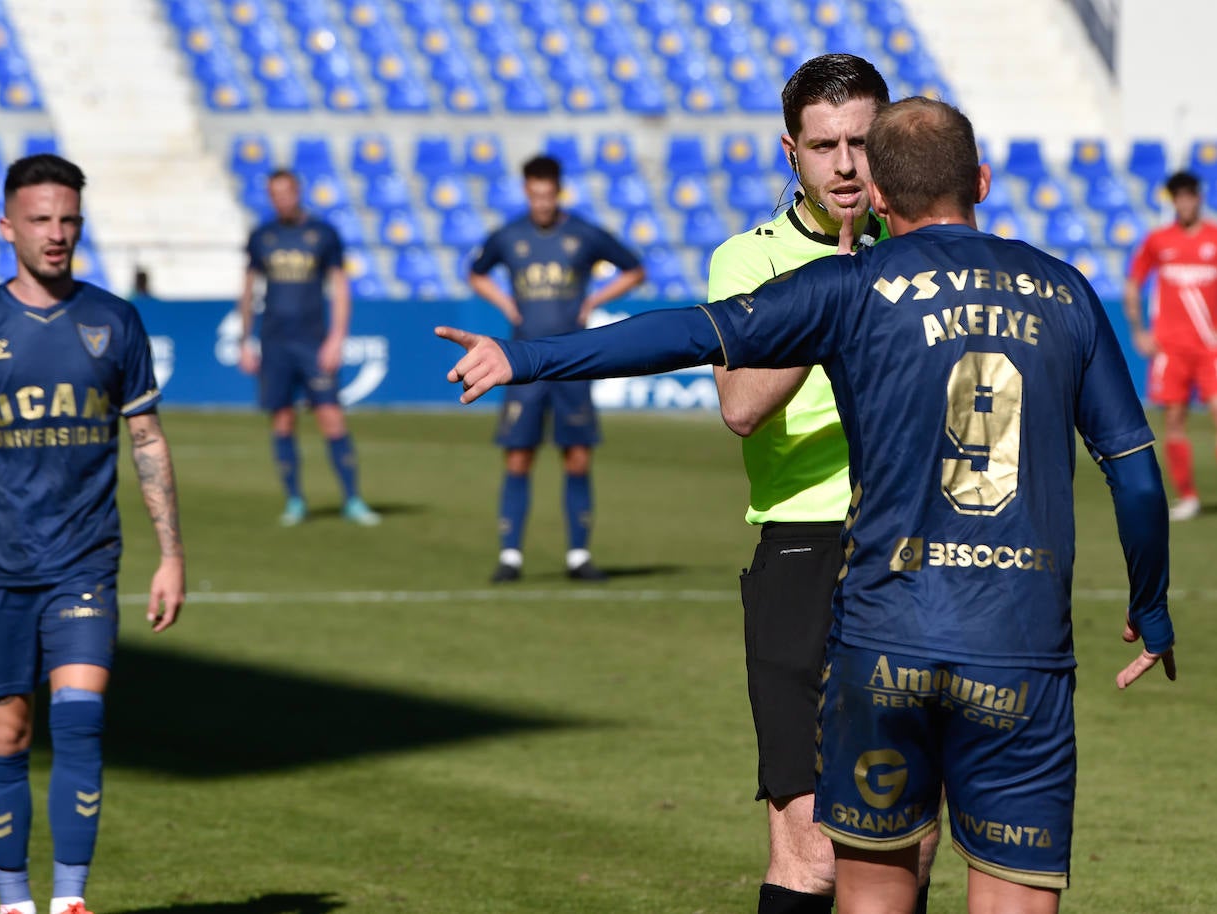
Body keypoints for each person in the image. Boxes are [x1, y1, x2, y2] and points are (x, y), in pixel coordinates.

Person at [438, 97, 1176, 914]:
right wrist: (1150, 604)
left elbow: (690, 333)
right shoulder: (1065, 291)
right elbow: (1136, 476)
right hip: (1019, 644)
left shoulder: (853, 283)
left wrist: (523, 356)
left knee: (868, 894)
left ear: (880, 196)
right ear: (983, 181)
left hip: (883, 639)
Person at [0, 154, 186, 914]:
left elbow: (148, 441)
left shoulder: (115, 322)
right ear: (8, 227)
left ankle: (70, 901)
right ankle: (14, 902)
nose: (56, 233)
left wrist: (172, 556)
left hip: (83, 561)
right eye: (40, 220)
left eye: (68, 220)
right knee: (6, 732)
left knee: (80, 719)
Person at [708, 54, 933, 914]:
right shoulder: (749, 261)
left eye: (862, 143)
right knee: (812, 852)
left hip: (912, 552)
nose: (845, 164)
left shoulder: (923, 255)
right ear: (791, 153)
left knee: (908, 845)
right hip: (804, 552)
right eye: (823, 145)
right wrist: (832, 293)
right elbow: (740, 406)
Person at [467, 154, 645, 583]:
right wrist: (505, 303)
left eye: (548, 195)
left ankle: (578, 556)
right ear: (526, 192)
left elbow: (634, 269)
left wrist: (593, 300)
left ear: (558, 192)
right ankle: (510, 556)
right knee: (518, 457)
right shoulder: (509, 236)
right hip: (522, 363)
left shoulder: (582, 233)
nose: (542, 203)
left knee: (578, 457)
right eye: (535, 195)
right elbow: (476, 274)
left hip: (573, 362)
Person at [238, 168, 380, 527]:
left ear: (298, 192)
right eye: (274, 194)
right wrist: (244, 339)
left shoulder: (323, 234)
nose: (281, 200)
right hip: (274, 342)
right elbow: (248, 288)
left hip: (313, 341)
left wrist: (337, 337)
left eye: (286, 192)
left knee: (331, 416)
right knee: (283, 420)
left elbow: (340, 286)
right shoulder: (262, 236)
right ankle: (295, 501)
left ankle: (352, 499)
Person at [1124, 170, 1217, 521]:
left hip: (1210, 348)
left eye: (1189, 195)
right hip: (1170, 350)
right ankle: (1187, 497)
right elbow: (1133, 283)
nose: (1184, 203)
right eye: (1178, 197)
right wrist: (1139, 330)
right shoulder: (1158, 240)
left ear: (1198, 198)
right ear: (1173, 201)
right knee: (1173, 419)